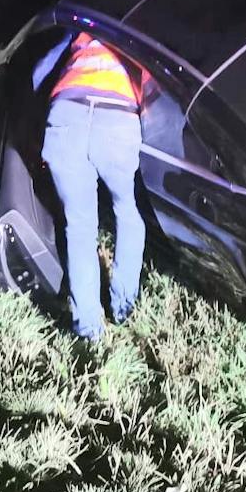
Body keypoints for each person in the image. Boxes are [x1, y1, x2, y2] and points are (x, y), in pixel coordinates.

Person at [31, 29, 153, 339]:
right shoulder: (142, 36)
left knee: (79, 225)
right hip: (117, 120)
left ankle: (88, 328)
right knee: (128, 212)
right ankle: (123, 307)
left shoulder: (81, 32)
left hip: (66, 115)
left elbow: (40, 72)